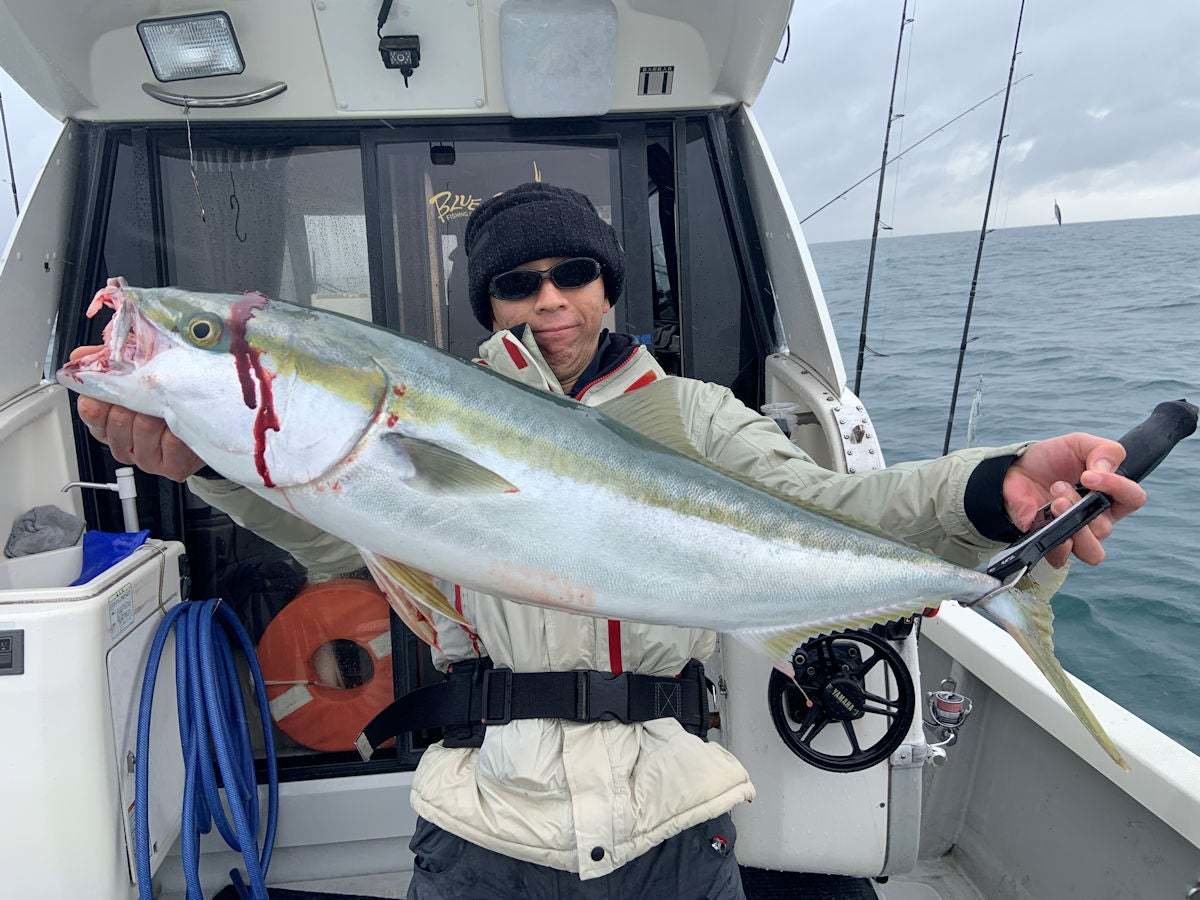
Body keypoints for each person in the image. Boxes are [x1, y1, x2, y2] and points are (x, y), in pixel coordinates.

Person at [72, 182, 1147, 898]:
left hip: (673, 815)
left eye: (572, 275)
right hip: (484, 819)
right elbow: (333, 548)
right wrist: (206, 463)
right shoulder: (397, 441)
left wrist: (994, 486)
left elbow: (837, 510)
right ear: (488, 304)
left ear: (606, 285)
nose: (549, 302)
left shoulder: (694, 416)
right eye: (516, 284)